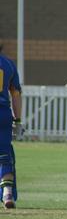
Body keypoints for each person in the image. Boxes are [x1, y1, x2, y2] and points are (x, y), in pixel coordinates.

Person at [0, 43, 22, 209]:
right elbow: (15, 93)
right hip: (3, 113)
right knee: (4, 153)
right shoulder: (8, 64)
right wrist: (18, 120)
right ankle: (7, 193)